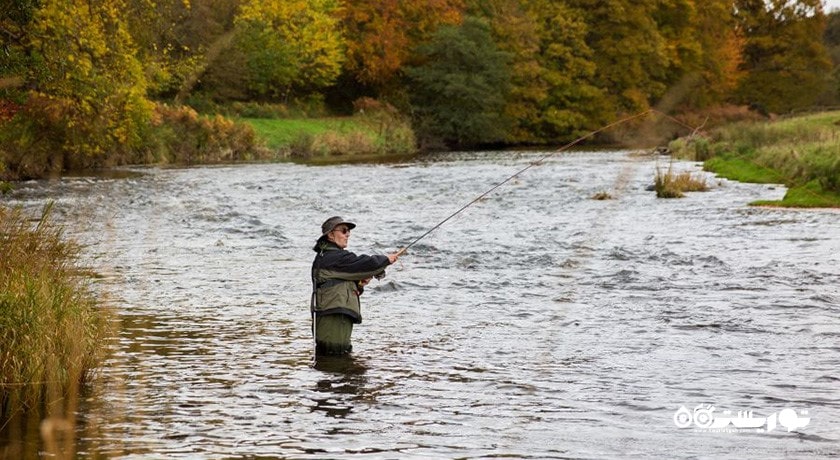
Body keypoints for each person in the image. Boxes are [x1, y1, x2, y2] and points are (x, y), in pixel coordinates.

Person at [310, 216, 400, 356]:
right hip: (333, 319)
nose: (348, 234)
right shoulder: (333, 257)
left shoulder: (327, 257)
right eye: (344, 230)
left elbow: (337, 284)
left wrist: (359, 285)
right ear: (330, 235)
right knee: (336, 359)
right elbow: (364, 264)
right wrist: (386, 260)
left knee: (336, 362)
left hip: (333, 318)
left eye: (349, 231)